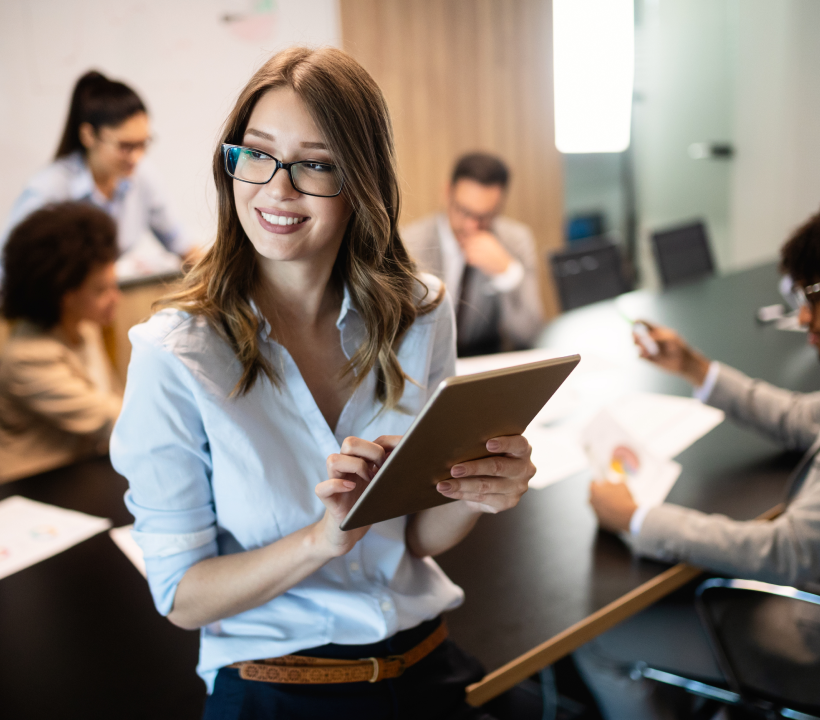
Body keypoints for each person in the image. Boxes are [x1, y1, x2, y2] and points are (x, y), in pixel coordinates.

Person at [109, 47, 537, 720]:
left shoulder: (421, 312)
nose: (276, 189)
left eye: (313, 164)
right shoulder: (175, 355)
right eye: (256, 154)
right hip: (278, 694)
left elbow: (415, 536)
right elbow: (181, 594)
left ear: (359, 179)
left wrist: (480, 492)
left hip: (426, 668)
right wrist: (321, 539)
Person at [576, 193, 820, 719]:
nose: (802, 316)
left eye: (815, 296)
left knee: (601, 636)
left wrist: (637, 518)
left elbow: (789, 552)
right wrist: (695, 368)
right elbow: (805, 419)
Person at [0, 70, 194, 281]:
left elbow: (183, 246)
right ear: (88, 135)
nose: (137, 157)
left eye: (143, 144)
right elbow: (7, 265)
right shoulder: (49, 189)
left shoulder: (143, 176)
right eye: (126, 146)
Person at [0, 202, 122, 483]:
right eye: (102, 290)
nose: (116, 298)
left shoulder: (84, 329)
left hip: (85, 475)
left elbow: (116, 405)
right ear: (64, 295)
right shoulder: (27, 358)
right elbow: (108, 418)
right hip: (37, 488)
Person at [402, 153, 544, 357]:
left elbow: (530, 335)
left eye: (484, 216)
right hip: (425, 361)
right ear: (447, 193)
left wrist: (507, 273)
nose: (471, 226)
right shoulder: (410, 243)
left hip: (484, 361)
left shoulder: (515, 241)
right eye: (464, 211)